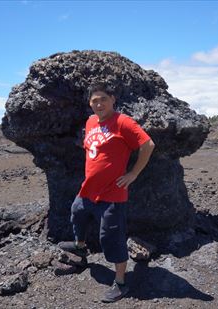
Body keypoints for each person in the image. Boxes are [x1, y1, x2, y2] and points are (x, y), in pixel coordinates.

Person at [59, 83, 155, 303]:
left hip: (113, 194)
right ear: (90, 103)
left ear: (113, 99)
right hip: (88, 189)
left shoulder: (123, 122)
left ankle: (121, 283)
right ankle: (81, 249)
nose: (99, 104)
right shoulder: (91, 121)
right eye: (94, 100)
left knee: (110, 238)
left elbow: (148, 145)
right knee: (77, 214)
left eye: (103, 98)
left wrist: (133, 174)